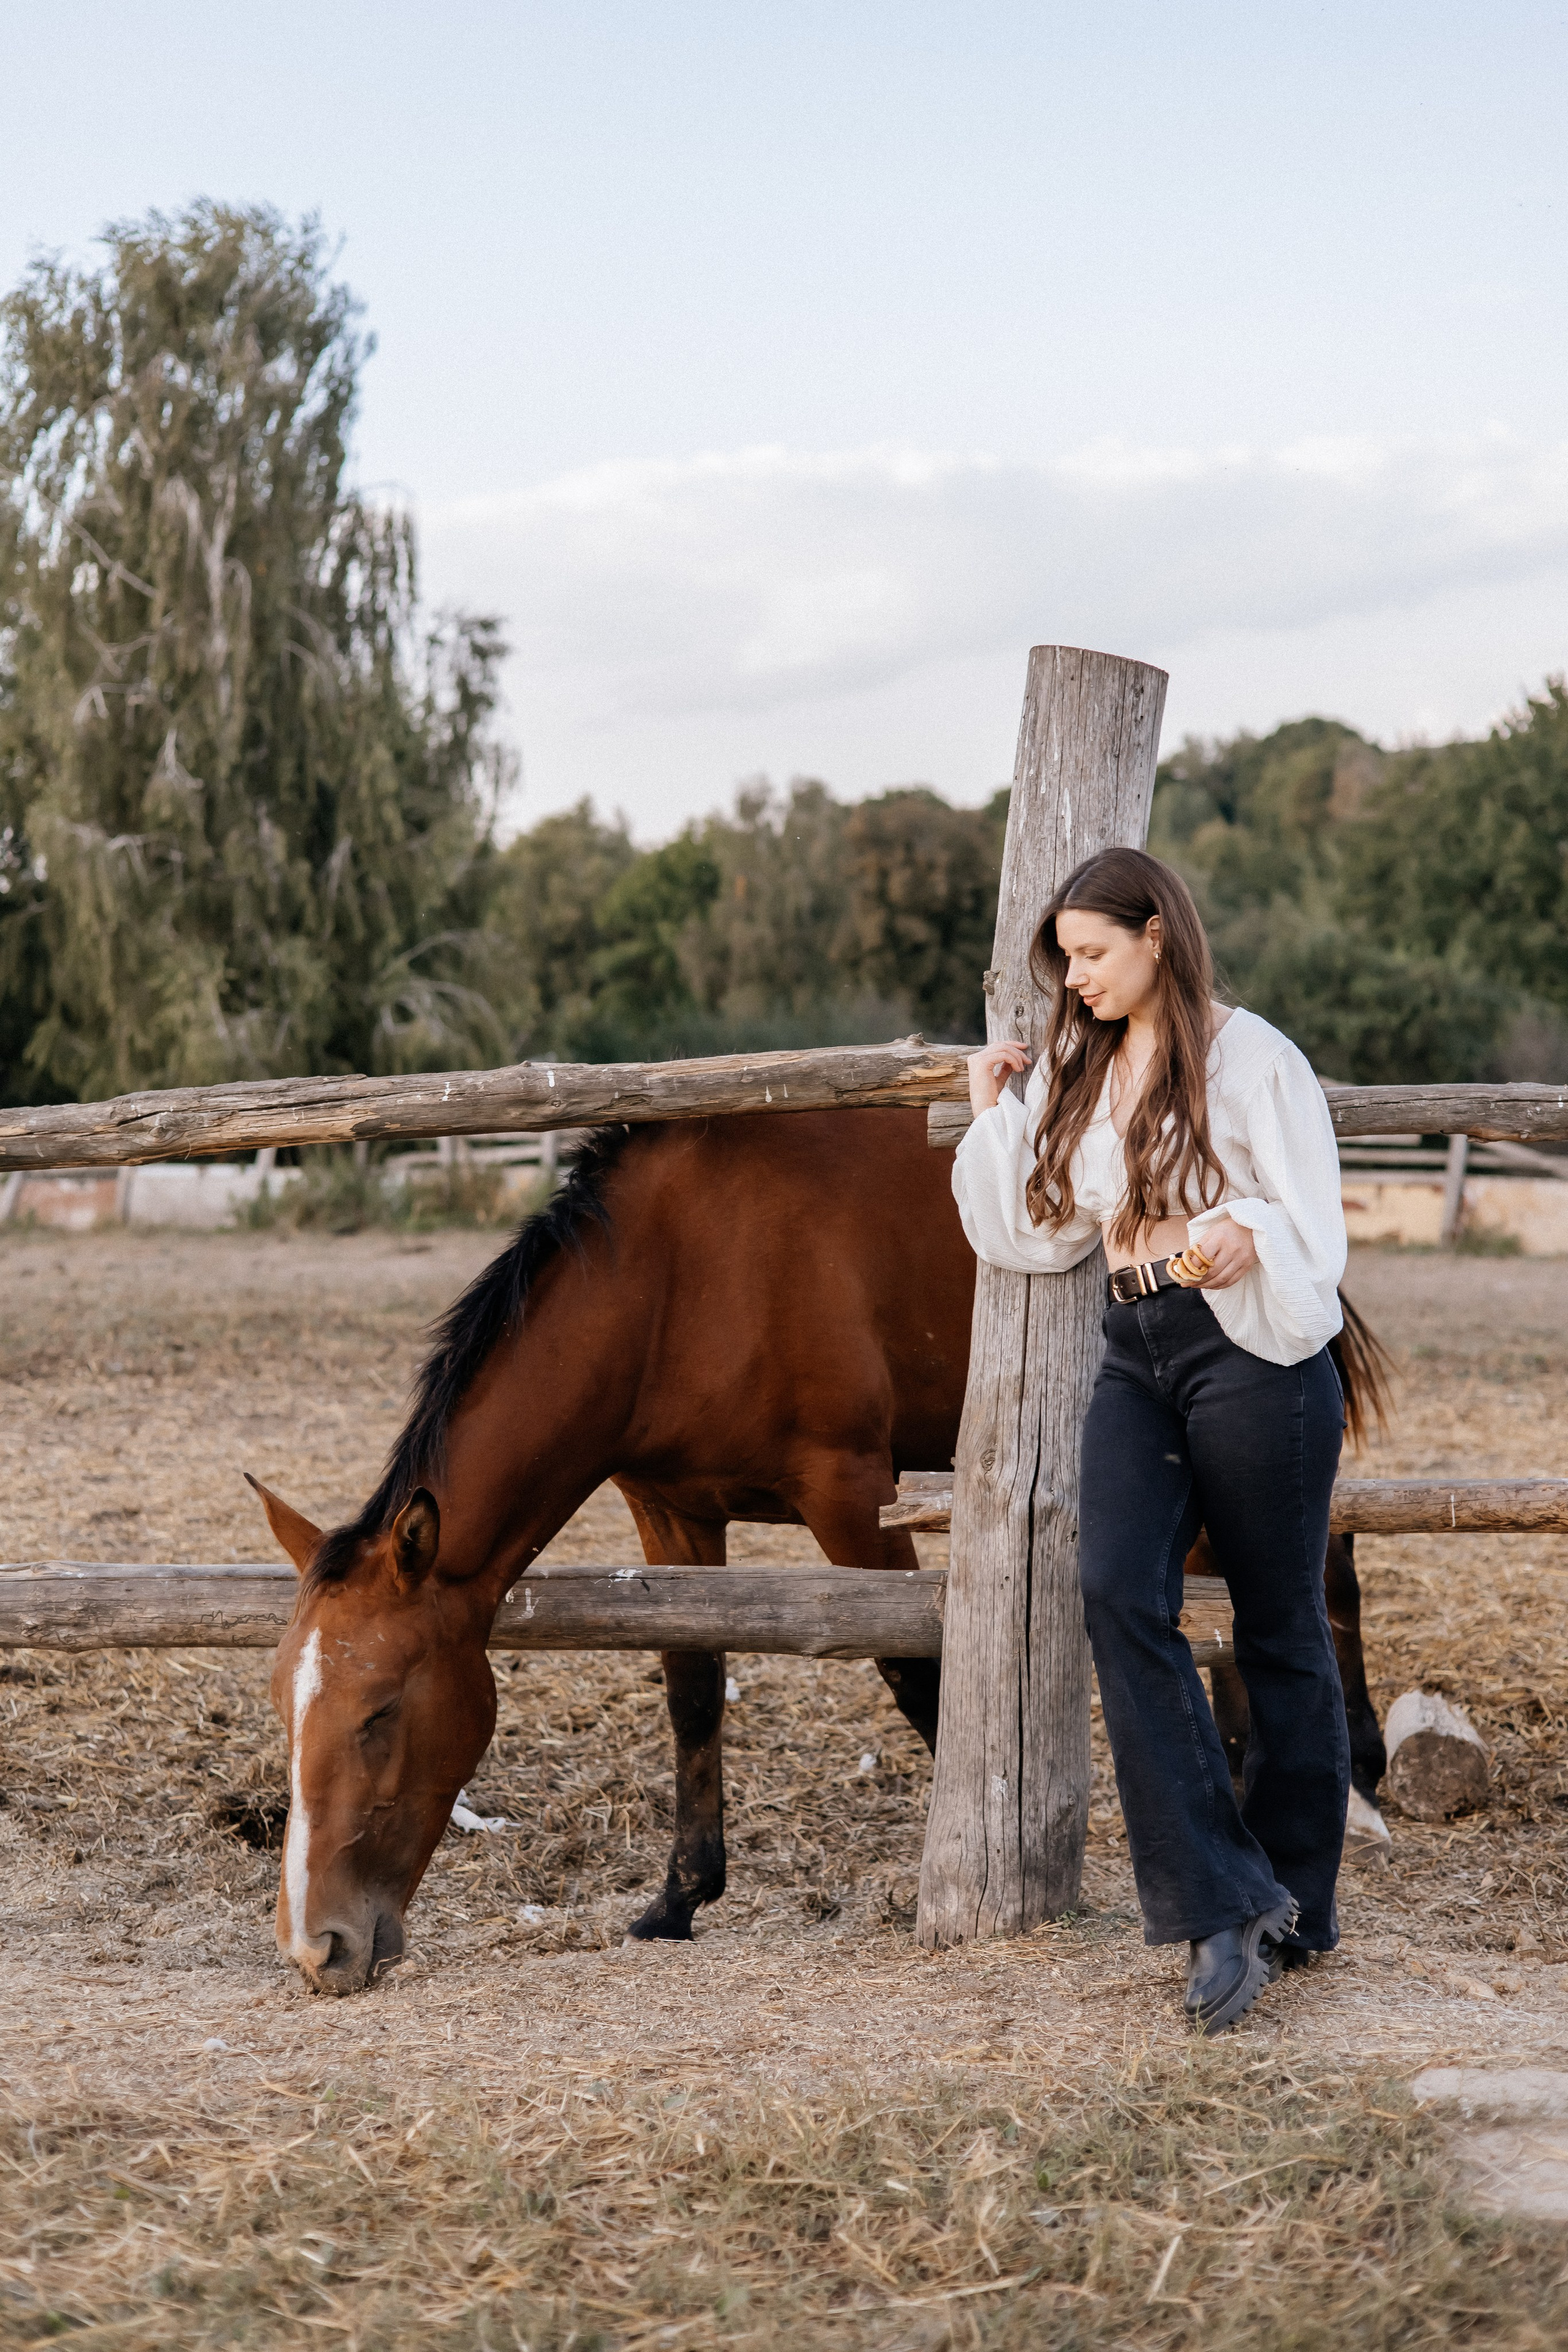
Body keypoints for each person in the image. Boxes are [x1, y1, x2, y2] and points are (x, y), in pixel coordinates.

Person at [954, 845, 1350, 2033]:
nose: (1072, 980)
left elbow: (1309, 1225)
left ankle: (1293, 1904)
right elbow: (1032, 1227)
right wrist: (990, 1111)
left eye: (1090, 954)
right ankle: (1215, 1896)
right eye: (1062, 959)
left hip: (1251, 1353)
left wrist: (1242, 1231)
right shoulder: (1079, 1063)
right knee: (1118, 1594)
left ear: (1154, 937)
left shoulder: (1251, 1060)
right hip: (1133, 1348)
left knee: (1280, 1625)